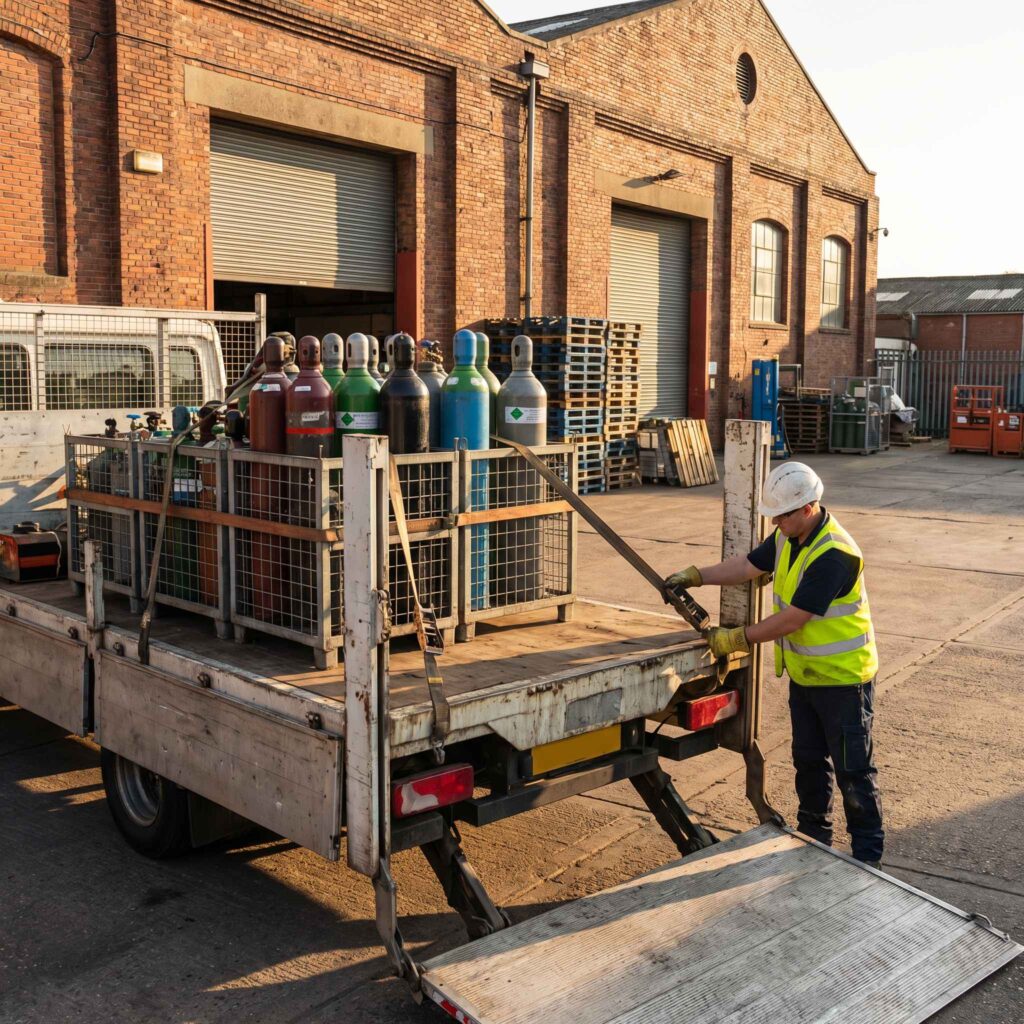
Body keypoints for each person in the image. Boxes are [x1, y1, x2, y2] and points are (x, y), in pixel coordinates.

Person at [665, 461, 884, 866]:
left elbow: (795, 617)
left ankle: (869, 859)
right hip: (807, 678)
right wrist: (696, 575)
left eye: (783, 515)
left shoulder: (835, 554)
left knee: (854, 771)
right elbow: (749, 565)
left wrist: (736, 638)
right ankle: (814, 838)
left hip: (845, 682)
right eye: (776, 515)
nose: (777, 522)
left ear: (809, 507)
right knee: (808, 761)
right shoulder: (788, 537)